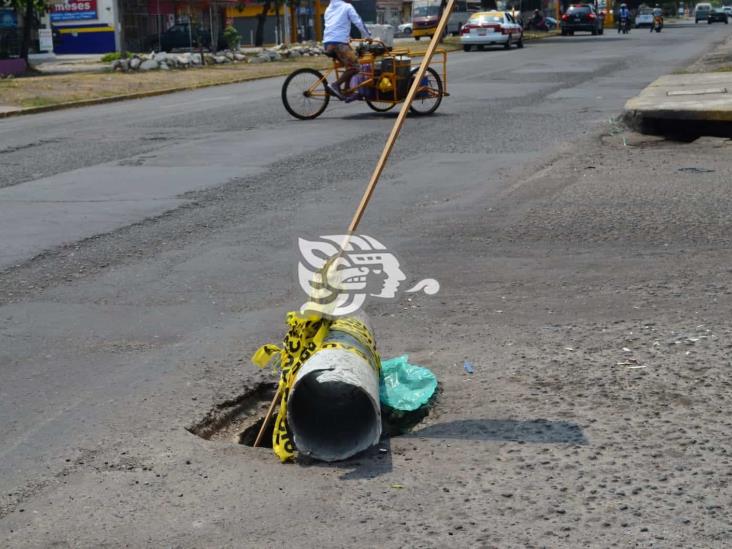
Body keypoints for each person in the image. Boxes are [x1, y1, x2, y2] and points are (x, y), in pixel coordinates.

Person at [322, 0, 371, 100]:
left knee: (349, 65)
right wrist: (368, 35)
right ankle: (335, 85)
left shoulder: (329, 8)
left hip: (327, 43)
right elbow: (358, 21)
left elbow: (335, 25)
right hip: (339, 43)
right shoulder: (347, 7)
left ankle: (347, 90)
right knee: (356, 66)